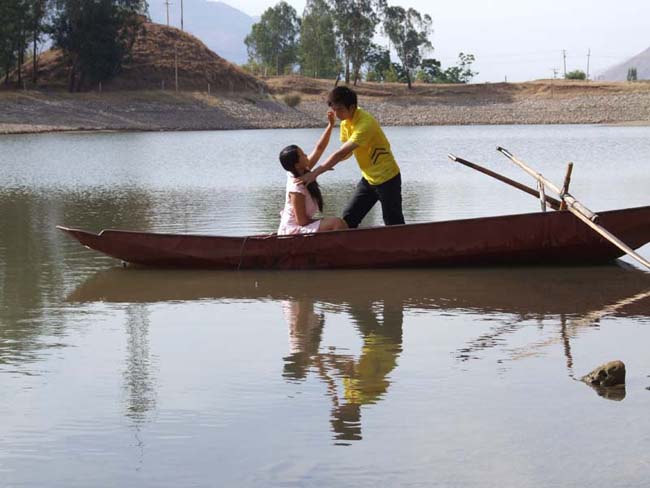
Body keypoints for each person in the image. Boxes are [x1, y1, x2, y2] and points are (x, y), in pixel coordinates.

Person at [297, 86, 405, 229]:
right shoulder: (345, 123)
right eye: (334, 110)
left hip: (388, 179)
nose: (336, 114)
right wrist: (329, 164)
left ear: (352, 107)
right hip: (368, 180)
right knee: (347, 220)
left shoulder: (365, 124)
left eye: (340, 109)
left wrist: (316, 173)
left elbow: (341, 153)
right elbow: (346, 153)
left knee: (394, 224)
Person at [277, 111, 348, 235]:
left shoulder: (302, 171)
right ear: (296, 164)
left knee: (337, 222)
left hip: (300, 228)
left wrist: (330, 125)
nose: (306, 156)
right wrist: (324, 221)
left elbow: (319, 148)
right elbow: (301, 221)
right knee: (337, 223)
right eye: (303, 155)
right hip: (293, 232)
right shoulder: (297, 186)